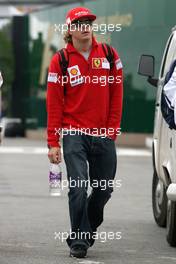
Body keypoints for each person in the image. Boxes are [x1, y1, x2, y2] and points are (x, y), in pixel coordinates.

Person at [46, 6, 123, 258]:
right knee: (78, 186)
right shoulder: (61, 60)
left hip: (103, 133)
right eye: (79, 23)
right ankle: (79, 241)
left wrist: (111, 130)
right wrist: (53, 142)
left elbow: (117, 95)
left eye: (89, 22)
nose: (86, 26)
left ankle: (83, 231)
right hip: (73, 133)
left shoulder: (110, 55)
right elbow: (54, 104)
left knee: (103, 189)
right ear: (70, 29)